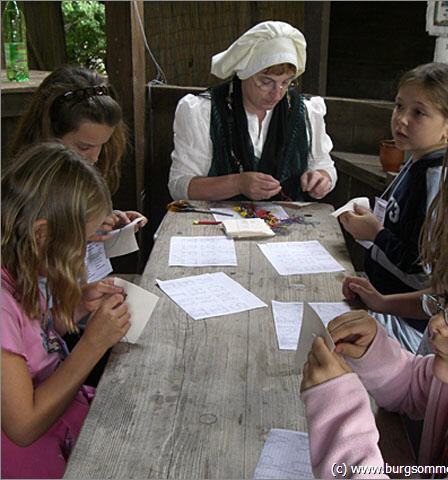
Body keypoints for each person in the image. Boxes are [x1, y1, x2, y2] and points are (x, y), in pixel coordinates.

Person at [301, 226, 448, 479]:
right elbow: (410, 386)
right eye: (444, 301)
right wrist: (373, 351)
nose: (436, 323)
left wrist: (339, 407)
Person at [1, 142, 131, 479]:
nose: (85, 254)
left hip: (60, 418)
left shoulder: (21, 267)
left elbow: (32, 340)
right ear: (42, 233)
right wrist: (92, 345)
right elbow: (23, 426)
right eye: (84, 243)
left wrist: (71, 312)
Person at [339, 63, 448, 352]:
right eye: (399, 107)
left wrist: (377, 235)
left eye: (418, 113)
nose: (401, 120)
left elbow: (425, 273)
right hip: (387, 303)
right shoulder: (415, 161)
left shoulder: (439, 182)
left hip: (411, 327)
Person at [168, 21, 337, 202]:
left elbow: (324, 165)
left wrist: (321, 178)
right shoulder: (203, 111)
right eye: (266, 82)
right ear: (245, 73)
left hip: (289, 225)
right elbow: (180, 186)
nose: (277, 93)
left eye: (286, 82)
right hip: (216, 225)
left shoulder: (306, 112)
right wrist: (237, 183)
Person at [9, 65, 147, 241]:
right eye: (84, 147)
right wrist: (81, 232)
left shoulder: (91, 166)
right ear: (49, 134)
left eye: (102, 145)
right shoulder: (25, 189)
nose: (95, 158)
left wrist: (108, 224)